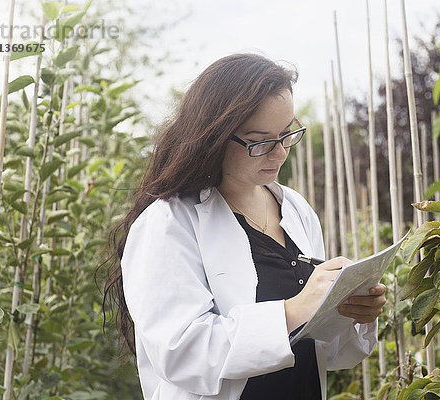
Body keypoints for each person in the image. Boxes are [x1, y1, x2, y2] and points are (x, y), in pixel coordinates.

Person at [100, 53, 387, 400]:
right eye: (261, 141)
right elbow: (181, 354)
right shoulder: (168, 223)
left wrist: (350, 313)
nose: (280, 153)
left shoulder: (295, 210)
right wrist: (294, 309)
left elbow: (323, 352)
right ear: (215, 137)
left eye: (286, 133)